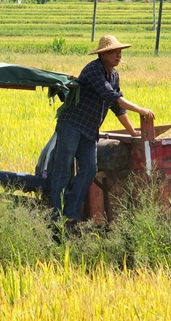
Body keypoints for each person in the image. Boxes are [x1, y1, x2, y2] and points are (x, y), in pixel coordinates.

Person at [49, 35, 155, 222]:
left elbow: (117, 107)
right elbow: (111, 96)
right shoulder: (93, 70)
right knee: (63, 168)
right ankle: (55, 215)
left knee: (90, 169)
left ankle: (71, 213)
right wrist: (140, 109)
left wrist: (132, 132)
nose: (118, 56)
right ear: (103, 55)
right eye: (114, 52)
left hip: (89, 130)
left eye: (120, 52)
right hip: (72, 125)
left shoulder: (114, 75)